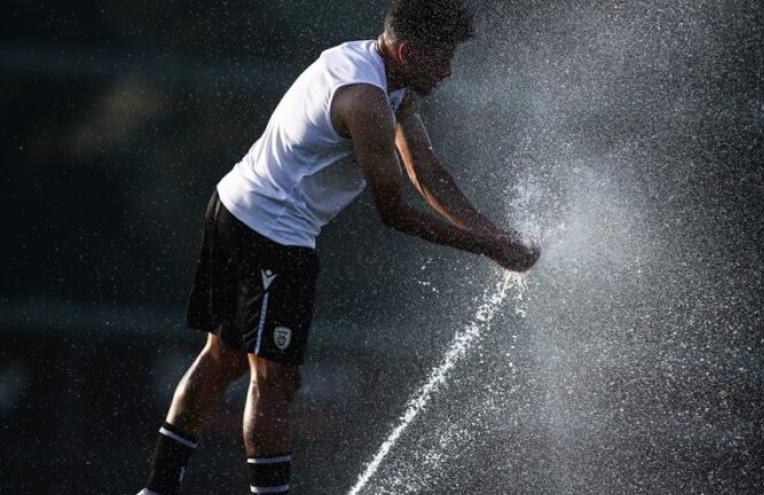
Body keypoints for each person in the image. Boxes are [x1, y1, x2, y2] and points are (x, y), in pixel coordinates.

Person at [135, 0, 539, 493]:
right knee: (277, 382)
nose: (451, 71)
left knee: (224, 359)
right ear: (409, 51)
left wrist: (494, 235)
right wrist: (485, 248)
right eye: (444, 58)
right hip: (271, 235)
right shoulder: (365, 101)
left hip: (233, 207)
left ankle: (155, 489)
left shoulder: (382, 73)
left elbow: (427, 173)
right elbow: (394, 213)